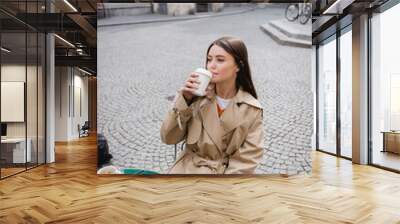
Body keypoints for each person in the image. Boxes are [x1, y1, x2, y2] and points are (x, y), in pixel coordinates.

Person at [160, 36, 264, 174]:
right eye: (209, 59)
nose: (211, 65)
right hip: (185, 171)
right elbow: (168, 138)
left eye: (220, 60)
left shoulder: (251, 109)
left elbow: (245, 162)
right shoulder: (196, 97)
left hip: (221, 180)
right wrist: (184, 100)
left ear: (238, 66)